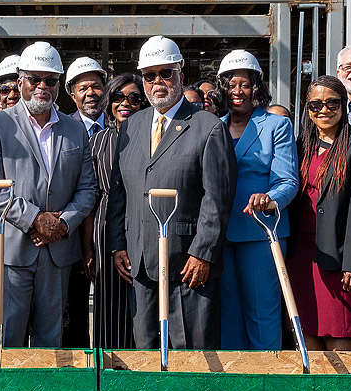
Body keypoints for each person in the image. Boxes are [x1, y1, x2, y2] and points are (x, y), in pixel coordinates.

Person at [107, 36, 235, 351]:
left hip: (187, 266)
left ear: (180, 72)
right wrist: (118, 246)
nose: (157, 82)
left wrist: (202, 253)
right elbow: (119, 191)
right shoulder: (131, 126)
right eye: (149, 76)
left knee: (190, 357)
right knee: (147, 356)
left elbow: (217, 199)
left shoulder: (208, 127)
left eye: (166, 73)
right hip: (140, 264)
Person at [0, 42, 99, 349]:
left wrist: (63, 223)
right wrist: (35, 220)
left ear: (59, 84)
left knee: (50, 338)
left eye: (50, 80)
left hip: (57, 251)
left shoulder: (74, 129)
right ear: (20, 80)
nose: (42, 86)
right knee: (8, 338)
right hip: (10, 249)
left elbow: (87, 187)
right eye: (34, 79)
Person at [214, 50, 299, 351]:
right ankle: (235, 390)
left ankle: (267, 387)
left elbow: (288, 181)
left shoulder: (276, 125)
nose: (238, 91)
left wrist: (270, 199)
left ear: (257, 87)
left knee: (263, 314)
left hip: (261, 233)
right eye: (231, 84)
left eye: (245, 84)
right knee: (228, 316)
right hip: (221, 234)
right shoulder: (214, 127)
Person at [288, 76, 351, 351]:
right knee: (306, 336)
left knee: (341, 333)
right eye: (315, 105)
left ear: (343, 105)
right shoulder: (301, 145)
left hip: (339, 258)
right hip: (300, 256)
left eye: (332, 103)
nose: (323, 110)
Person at [89, 73, 145, 350]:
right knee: (109, 306)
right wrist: (87, 248)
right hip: (103, 226)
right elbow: (88, 194)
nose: (126, 103)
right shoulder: (98, 141)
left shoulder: (152, 137)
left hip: (143, 222)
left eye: (134, 98)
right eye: (118, 97)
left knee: (143, 303)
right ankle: (110, 374)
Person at [60, 56, 110, 346]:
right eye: (83, 88)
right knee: (74, 313)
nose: (91, 93)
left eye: (96, 86)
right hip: (69, 236)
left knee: (111, 312)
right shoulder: (62, 129)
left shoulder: (121, 128)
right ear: (72, 93)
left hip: (110, 237)